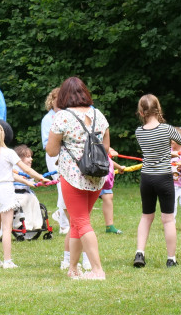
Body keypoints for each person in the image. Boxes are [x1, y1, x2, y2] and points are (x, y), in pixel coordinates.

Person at [46, 76, 110, 280]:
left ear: (64, 96)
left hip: (73, 175)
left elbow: (51, 151)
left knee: (81, 221)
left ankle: (97, 270)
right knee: (77, 222)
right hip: (97, 175)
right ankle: (73, 268)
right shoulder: (99, 115)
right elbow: (106, 148)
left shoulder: (62, 117)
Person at [133, 94, 181, 268]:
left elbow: (153, 151)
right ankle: (171, 259)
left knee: (146, 217)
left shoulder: (139, 132)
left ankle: (140, 253)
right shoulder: (167, 129)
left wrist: (168, 153)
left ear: (141, 112)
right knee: (168, 220)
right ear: (158, 109)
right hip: (164, 178)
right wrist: (177, 151)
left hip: (147, 178)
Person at [0, 122, 44, 268]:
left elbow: (9, 173)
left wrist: (28, 183)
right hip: (5, 191)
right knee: (6, 228)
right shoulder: (8, 152)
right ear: (2, 134)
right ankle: (8, 261)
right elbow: (26, 170)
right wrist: (41, 177)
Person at [42, 86, 89, 270]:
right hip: (64, 167)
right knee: (77, 219)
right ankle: (75, 259)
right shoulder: (53, 119)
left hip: (80, 168)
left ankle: (72, 259)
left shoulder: (83, 115)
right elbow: (51, 147)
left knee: (78, 220)